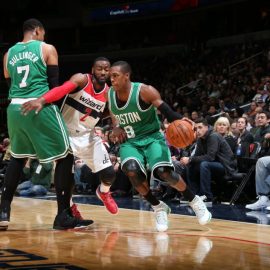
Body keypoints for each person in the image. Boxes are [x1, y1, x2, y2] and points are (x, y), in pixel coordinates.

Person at [0, 18, 93, 230]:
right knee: (65, 156)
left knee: (17, 156)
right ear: (39, 31)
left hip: (15, 108)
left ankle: (3, 211)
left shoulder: (8, 55)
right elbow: (54, 86)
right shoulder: (47, 48)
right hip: (39, 106)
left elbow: (10, 83)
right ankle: (62, 215)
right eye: (43, 33)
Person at [108, 61, 212, 232]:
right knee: (131, 171)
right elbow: (114, 114)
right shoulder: (110, 94)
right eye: (110, 76)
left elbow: (167, 112)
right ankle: (158, 206)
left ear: (126, 76)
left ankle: (194, 201)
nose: (111, 79)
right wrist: (115, 127)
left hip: (152, 138)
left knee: (164, 173)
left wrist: (181, 120)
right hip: (131, 141)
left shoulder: (144, 91)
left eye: (115, 75)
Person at [21, 57, 118, 215]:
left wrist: (116, 127)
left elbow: (113, 111)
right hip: (65, 133)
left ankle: (104, 192)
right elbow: (62, 89)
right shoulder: (82, 79)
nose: (103, 72)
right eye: (100, 68)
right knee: (67, 178)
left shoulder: (108, 93)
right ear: (93, 70)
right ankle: (71, 207)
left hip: (88, 135)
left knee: (109, 174)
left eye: (106, 69)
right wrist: (42, 100)